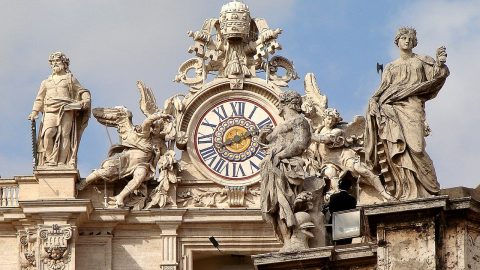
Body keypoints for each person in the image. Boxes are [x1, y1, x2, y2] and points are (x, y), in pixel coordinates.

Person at [365, 27, 449, 200]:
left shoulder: (421, 61)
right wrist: (373, 101)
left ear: (414, 42)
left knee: (417, 148)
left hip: (413, 106)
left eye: (410, 38)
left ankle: (430, 187)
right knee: (399, 148)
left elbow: (436, 78)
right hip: (391, 108)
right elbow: (382, 90)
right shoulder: (390, 67)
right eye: (403, 38)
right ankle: (406, 190)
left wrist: (440, 64)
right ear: (398, 41)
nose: (407, 41)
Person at [76, 108, 171, 207]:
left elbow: (160, 161)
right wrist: (160, 115)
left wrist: (158, 155)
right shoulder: (144, 133)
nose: (155, 129)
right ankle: (85, 182)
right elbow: (147, 121)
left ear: (161, 129)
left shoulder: (160, 144)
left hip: (142, 165)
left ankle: (120, 197)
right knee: (107, 171)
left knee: (139, 177)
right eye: (153, 127)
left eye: (158, 127)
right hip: (127, 159)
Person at [259, 90, 311, 251]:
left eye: (281, 103)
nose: (279, 108)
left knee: (285, 203)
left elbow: (301, 143)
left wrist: (280, 156)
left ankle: (293, 238)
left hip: (286, 166)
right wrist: (262, 136)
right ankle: (287, 241)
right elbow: (268, 144)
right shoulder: (281, 125)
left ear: (286, 104)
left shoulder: (299, 120)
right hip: (271, 168)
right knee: (274, 206)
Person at [312, 108, 394, 201]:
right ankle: (337, 200)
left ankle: (383, 192)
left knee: (361, 170)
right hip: (329, 161)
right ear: (324, 118)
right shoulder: (318, 131)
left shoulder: (337, 131)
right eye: (328, 118)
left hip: (343, 156)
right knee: (330, 173)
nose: (330, 122)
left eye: (333, 120)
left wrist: (308, 134)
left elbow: (325, 139)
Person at [27, 52, 91, 167]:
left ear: (64, 63)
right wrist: (34, 112)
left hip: (67, 108)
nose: (55, 64)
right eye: (53, 62)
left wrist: (86, 98)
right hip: (50, 109)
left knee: (64, 135)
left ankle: (61, 162)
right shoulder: (46, 82)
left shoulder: (70, 79)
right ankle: (50, 159)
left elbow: (82, 91)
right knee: (48, 133)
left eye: (57, 61)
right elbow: (39, 98)